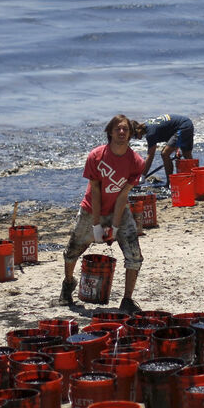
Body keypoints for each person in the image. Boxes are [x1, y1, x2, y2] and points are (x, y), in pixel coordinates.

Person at [60, 114, 145, 314]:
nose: (122, 132)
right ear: (110, 132)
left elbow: (123, 196)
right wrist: (97, 225)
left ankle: (127, 299)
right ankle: (67, 285)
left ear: (130, 133)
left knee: (135, 256)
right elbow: (96, 191)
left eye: (125, 129)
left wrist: (115, 227)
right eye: (118, 129)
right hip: (91, 209)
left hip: (119, 210)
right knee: (72, 250)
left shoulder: (136, 162)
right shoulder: (96, 156)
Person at [133, 114, 194, 178]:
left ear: (138, 130)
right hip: (187, 123)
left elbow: (150, 156)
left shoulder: (150, 133)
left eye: (134, 136)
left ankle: (169, 182)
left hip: (183, 126)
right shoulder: (147, 124)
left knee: (165, 154)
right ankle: (196, 178)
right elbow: (169, 132)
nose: (135, 138)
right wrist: (177, 149)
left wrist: (142, 176)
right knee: (187, 155)